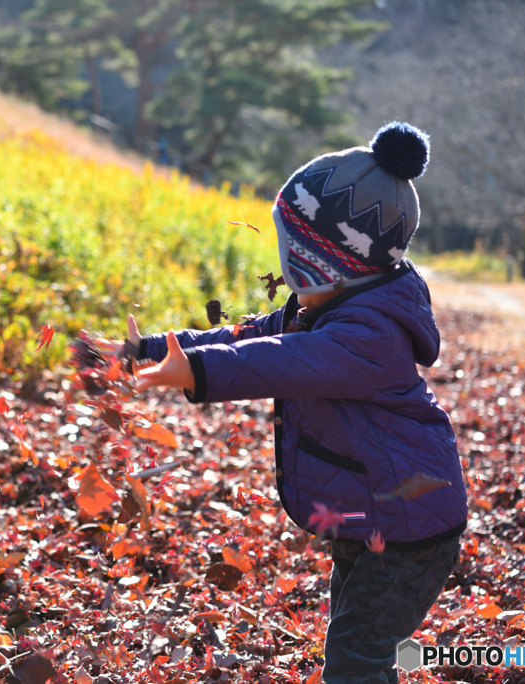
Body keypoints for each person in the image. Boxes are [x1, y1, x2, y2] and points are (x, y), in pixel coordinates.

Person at [103, 122, 468, 684]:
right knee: (356, 645)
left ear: (322, 261)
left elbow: (274, 361)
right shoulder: (326, 302)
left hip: (409, 529)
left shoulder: (365, 334)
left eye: (291, 250)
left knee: (357, 656)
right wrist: (147, 350)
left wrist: (194, 373)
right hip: (376, 514)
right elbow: (245, 338)